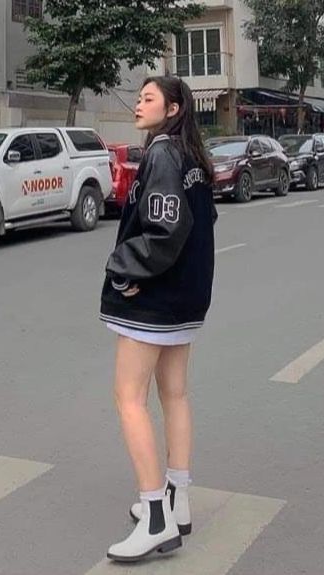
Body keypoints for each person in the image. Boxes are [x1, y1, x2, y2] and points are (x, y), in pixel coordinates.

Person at [100, 75, 217, 563]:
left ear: (172, 109)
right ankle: (177, 498)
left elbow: (165, 229)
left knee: (129, 398)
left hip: (153, 299)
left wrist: (122, 267)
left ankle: (154, 517)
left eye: (148, 98)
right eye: (139, 97)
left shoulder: (163, 154)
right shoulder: (192, 156)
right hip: (186, 297)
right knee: (175, 394)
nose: (138, 104)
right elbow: (201, 224)